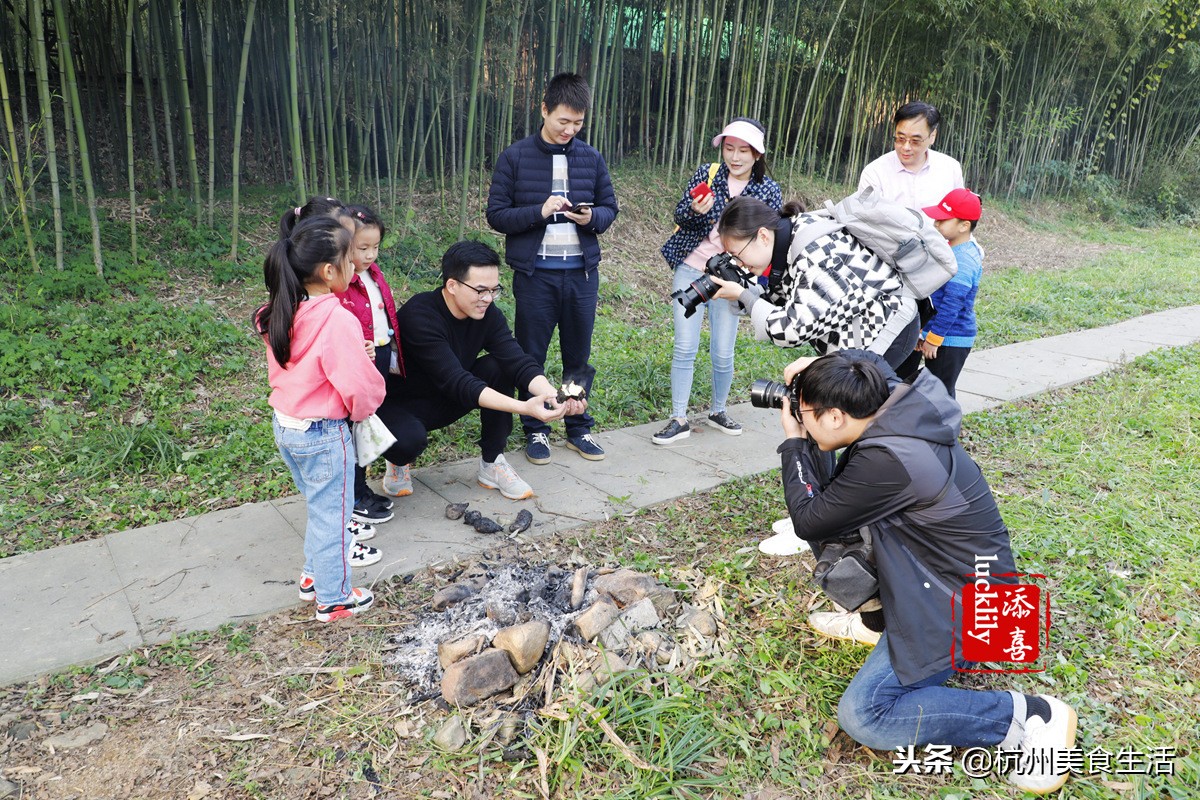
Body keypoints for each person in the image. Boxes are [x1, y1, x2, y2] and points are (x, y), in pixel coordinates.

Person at [777, 349, 1078, 794]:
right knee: (842, 527)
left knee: (866, 715)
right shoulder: (891, 396)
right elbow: (866, 357)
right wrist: (811, 369)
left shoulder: (889, 460)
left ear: (837, 416)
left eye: (805, 413)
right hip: (952, 581)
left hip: (978, 611)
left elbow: (807, 519)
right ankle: (880, 625)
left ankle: (1029, 716)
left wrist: (795, 443)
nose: (799, 418)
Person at [377, 241, 586, 501]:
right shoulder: (420, 315)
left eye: (494, 290)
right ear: (452, 285)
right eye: (480, 290)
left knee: (499, 366)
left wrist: (553, 395)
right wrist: (524, 408)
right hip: (404, 405)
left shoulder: (486, 314)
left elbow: (517, 360)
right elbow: (457, 380)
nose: (488, 298)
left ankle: (492, 463)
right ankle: (398, 463)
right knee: (407, 442)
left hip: (450, 396)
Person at [255, 215, 385, 623]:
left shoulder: (280, 309)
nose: (355, 268)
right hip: (324, 433)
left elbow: (308, 363)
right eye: (350, 261)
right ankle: (334, 598)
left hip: (287, 426)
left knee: (321, 506)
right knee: (336, 515)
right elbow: (359, 387)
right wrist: (368, 403)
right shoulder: (336, 318)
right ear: (329, 271)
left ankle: (313, 576)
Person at [486, 72, 619, 466]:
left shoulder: (591, 158)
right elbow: (497, 215)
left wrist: (591, 217)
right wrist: (539, 212)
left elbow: (610, 209)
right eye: (563, 120)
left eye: (577, 123)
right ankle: (537, 429)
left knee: (577, 355)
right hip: (535, 275)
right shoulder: (515, 157)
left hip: (581, 273)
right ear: (543, 110)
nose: (569, 129)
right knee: (532, 354)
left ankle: (577, 426)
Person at [653, 118, 783, 445]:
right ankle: (678, 417)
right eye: (729, 148)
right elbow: (680, 214)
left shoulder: (768, 189)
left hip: (731, 275)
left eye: (743, 151)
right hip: (692, 268)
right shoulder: (707, 174)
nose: (735, 157)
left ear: (757, 154)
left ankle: (718, 410)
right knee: (685, 346)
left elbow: (770, 240)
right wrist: (696, 210)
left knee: (723, 351)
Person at [709, 196, 920, 367]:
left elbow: (791, 330)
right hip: (860, 335)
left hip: (887, 332)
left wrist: (743, 295)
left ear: (763, 236)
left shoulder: (814, 252)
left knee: (857, 410)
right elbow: (786, 301)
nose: (740, 263)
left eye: (737, 254)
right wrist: (744, 293)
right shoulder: (791, 238)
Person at [333, 204, 414, 528]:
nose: (369, 255)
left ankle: (360, 490)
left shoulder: (373, 272)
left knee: (365, 427)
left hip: (379, 357)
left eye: (375, 247)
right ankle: (353, 495)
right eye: (362, 248)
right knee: (354, 429)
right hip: (358, 364)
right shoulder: (340, 283)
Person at [910, 188, 984, 397]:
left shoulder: (964, 260)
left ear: (964, 225)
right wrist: (923, 331)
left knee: (941, 394)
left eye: (943, 220)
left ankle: (946, 429)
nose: (936, 224)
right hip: (942, 335)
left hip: (951, 337)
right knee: (934, 390)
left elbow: (952, 303)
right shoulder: (952, 251)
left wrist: (934, 339)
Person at [858, 101, 964, 210]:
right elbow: (864, 216)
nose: (906, 147)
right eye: (900, 139)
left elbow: (958, 215)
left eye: (915, 141)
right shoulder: (875, 173)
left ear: (932, 136)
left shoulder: (950, 169)